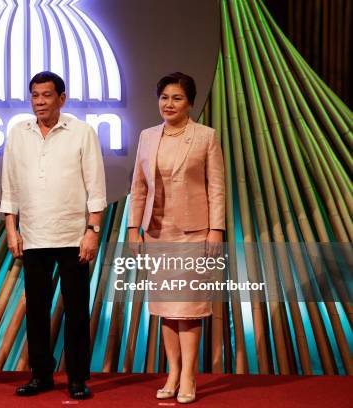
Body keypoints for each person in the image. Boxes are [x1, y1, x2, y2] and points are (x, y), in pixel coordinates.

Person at [0, 71, 107, 400]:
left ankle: (77, 378)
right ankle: (41, 376)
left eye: (46, 95)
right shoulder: (18, 133)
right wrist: (10, 228)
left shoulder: (82, 132)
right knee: (36, 310)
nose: (40, 101)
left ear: (62, 98)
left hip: (74, 235)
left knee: (76, 311)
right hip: (33, 235)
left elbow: (96, 187)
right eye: (34, 95)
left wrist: (92, 231)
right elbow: (10, 185)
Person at [127, 72, 225, 404]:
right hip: (157, 232)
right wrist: (132, 228)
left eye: (177, 98)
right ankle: (172, 372)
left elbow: (216, 187)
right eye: (164, 97)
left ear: (190, 102)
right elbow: (138, 188)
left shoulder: (205, 137)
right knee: (166, 308)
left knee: (189, 308)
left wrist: (216, 230)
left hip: (194, 232)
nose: (169, 104)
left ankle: (189, 376)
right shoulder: (147, 136)